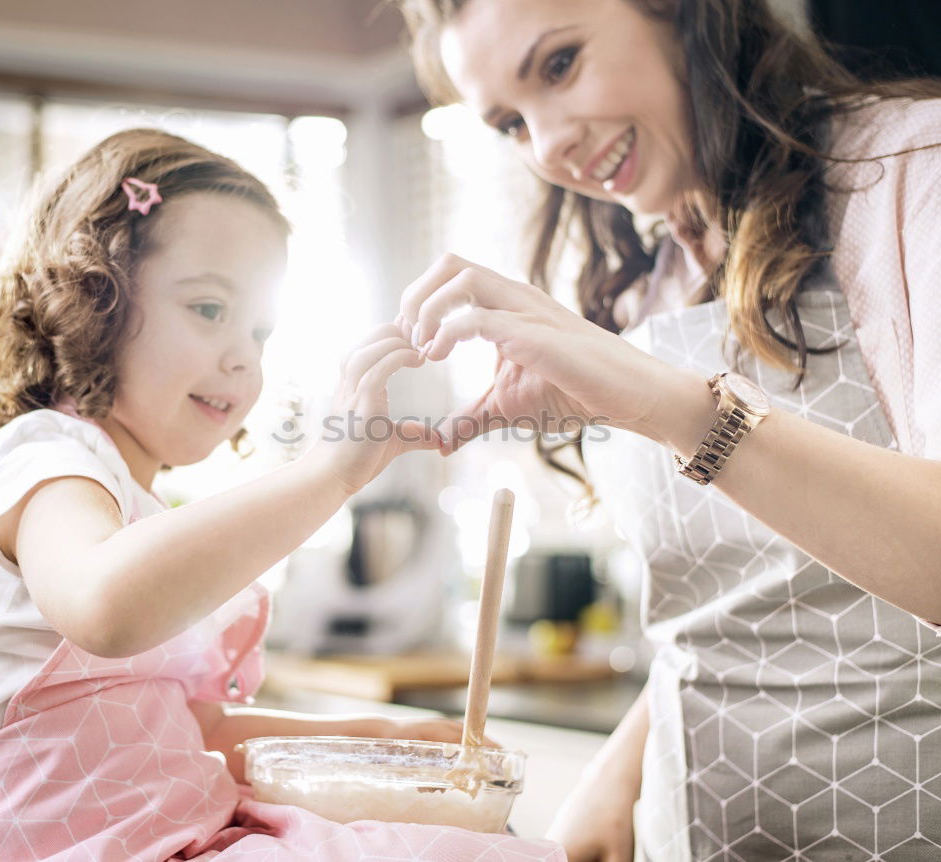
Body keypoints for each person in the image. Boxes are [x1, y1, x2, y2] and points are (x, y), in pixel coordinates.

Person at [392, 0, 941, 859]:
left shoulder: (915, 170)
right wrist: (618, 777)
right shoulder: (656, 280)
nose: (549, 144)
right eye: (509, 122)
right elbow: (739, 603)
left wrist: (673, 408)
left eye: (560, 64)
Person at [0, 129, 564, 862]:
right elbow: (104, 607)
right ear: (94, 301)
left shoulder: (128, 502)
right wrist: (325, 474)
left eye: (262, 330)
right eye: (209, 309)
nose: (243, 356)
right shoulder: (47, 461)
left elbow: (198, 732)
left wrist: (387, 737)